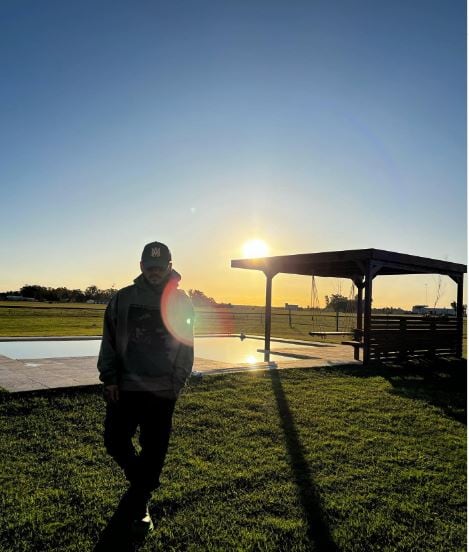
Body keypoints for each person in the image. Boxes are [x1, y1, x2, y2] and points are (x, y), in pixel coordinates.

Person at [97, 241, 194, 535]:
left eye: (160, 267)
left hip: (161, 389)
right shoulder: (122, 298)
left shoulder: (181, 302)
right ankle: (144, 482)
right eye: (149, 267)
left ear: (169, 266)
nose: (154, 272)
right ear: (141, 267)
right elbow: (109, 339)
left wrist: (176, 384)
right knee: (114, 440)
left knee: (154, 450)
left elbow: (186, 346)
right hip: (125, 387)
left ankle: (140, 503)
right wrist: (110, 378)